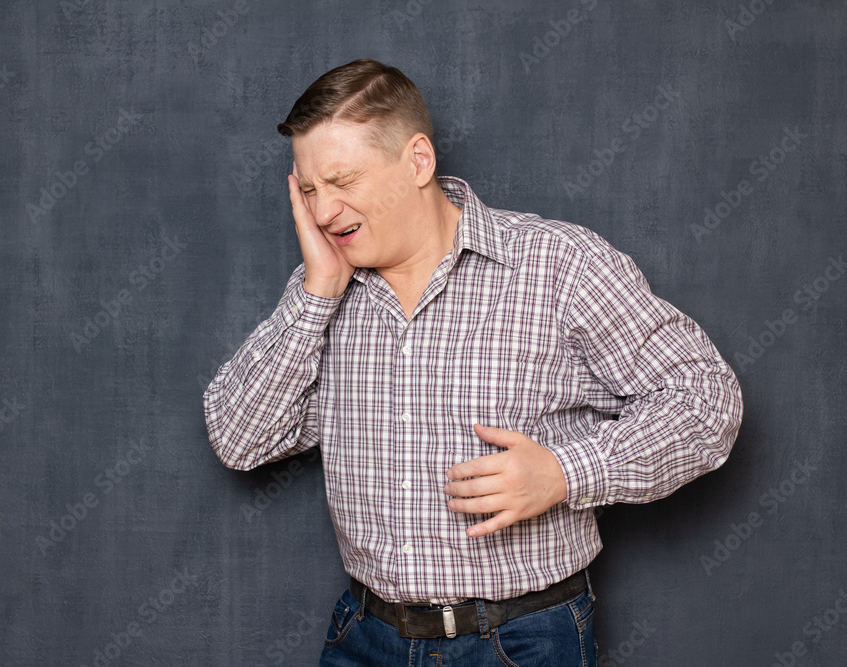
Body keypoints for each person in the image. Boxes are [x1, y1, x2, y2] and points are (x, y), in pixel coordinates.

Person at [203, 58, 743, 666]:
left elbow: (705, 401)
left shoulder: (557, 266)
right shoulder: (320, 295)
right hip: (365, 637)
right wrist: (317, 292)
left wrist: (567, 473)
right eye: (308, 191)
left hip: (520, 641)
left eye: (342, 181)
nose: (325, 212)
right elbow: (239, 440)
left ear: (418, 162)